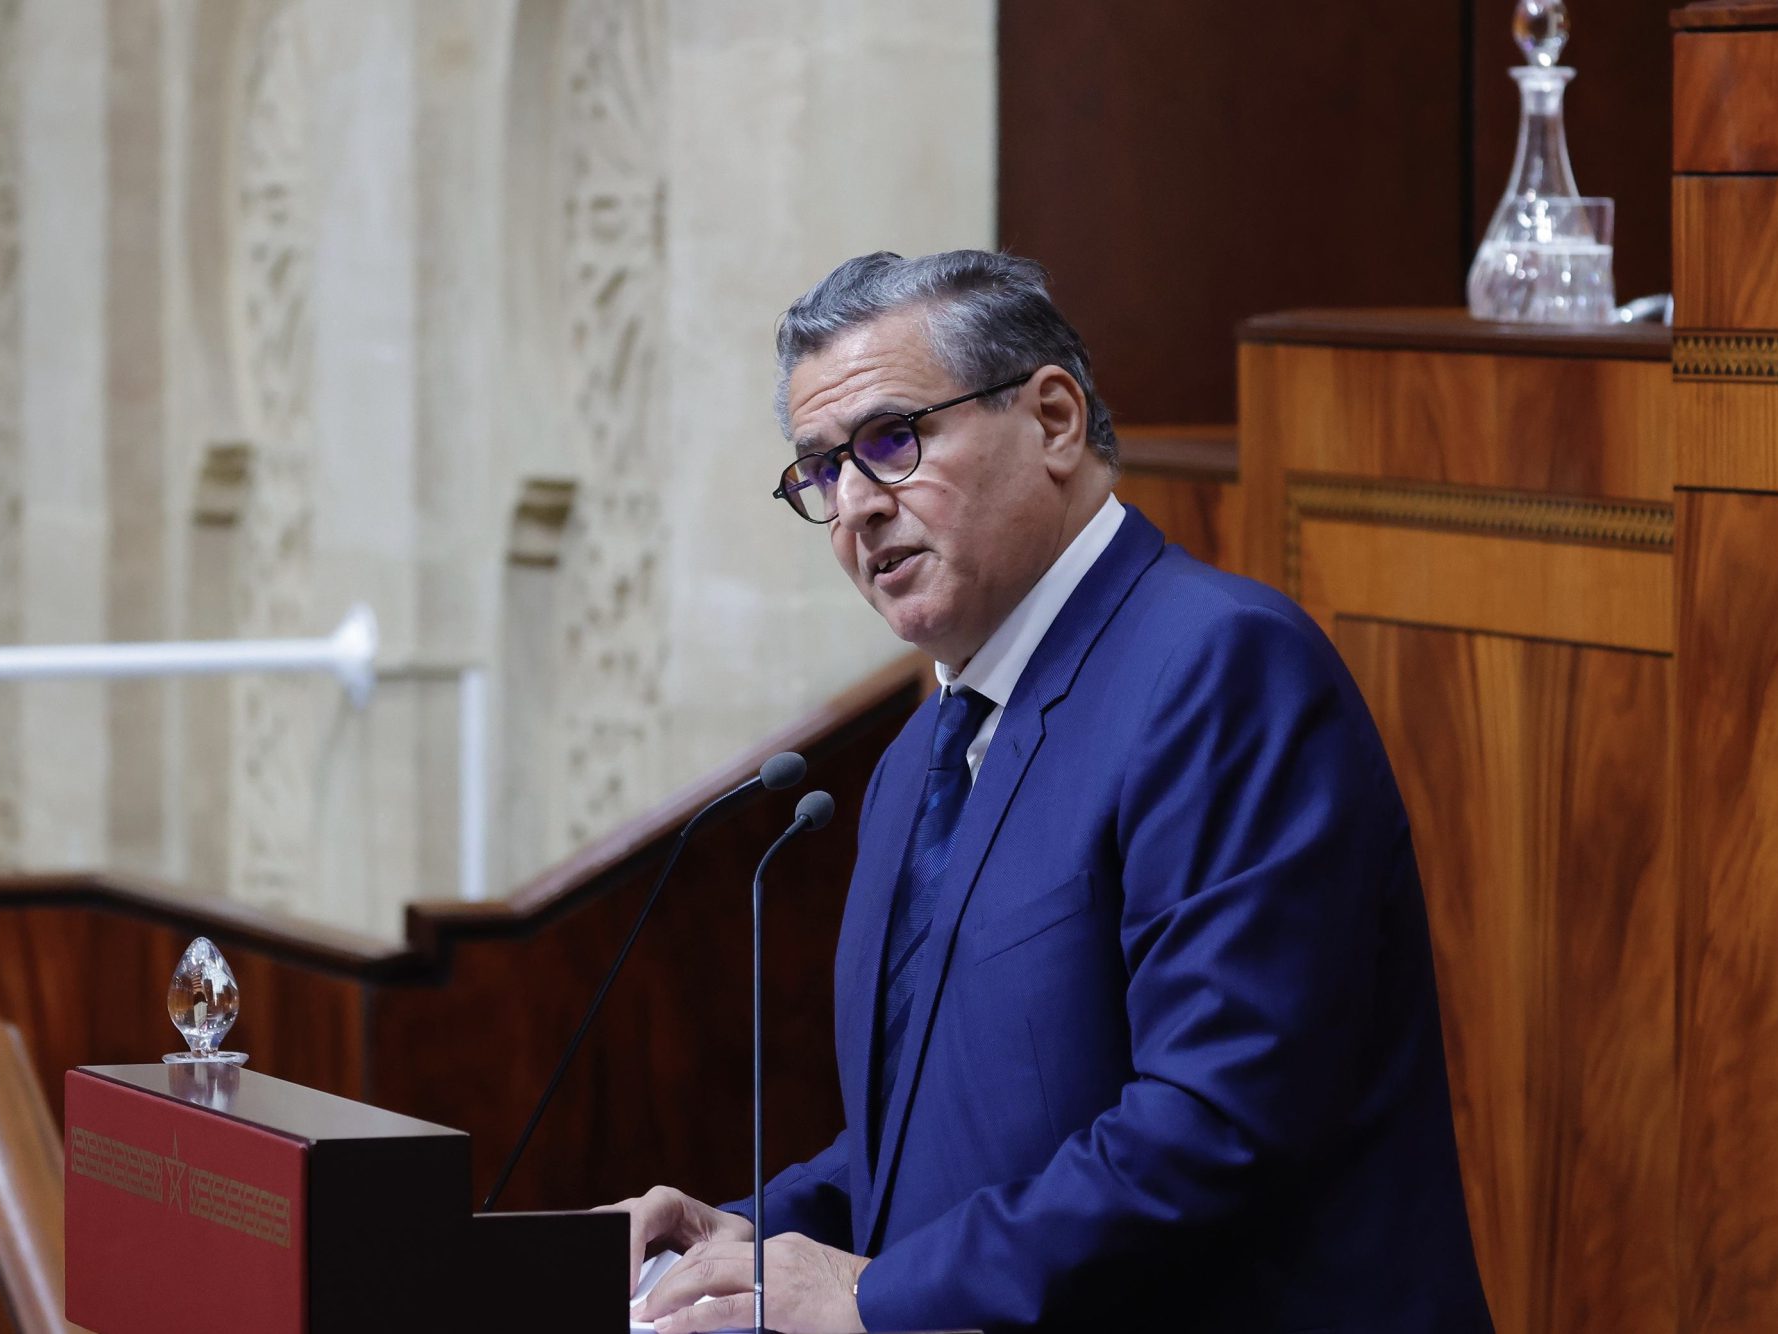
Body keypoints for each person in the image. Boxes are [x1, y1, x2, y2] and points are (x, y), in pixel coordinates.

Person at [616, 251, 1492, 1333]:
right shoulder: (917, 756)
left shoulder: (1221, 668)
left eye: (890, 441)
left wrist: (871, 1293)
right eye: (822, 472)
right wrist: (740, 1239)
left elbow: (1213, 1125)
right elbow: (946, 1138)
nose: (855, 507)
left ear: (1054, 420)